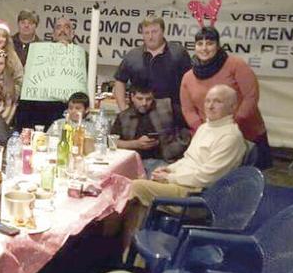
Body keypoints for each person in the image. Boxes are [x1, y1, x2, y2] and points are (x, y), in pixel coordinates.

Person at [117, 84, 246, 250]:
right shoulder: (206, 127)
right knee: (140, 184)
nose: (210, 106)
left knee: (135, 187)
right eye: (208, 101)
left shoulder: (230, 137)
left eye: (217, 101)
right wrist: (170, 170)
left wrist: (170, 177)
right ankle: (133, 251)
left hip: (199, 196)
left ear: (232, 107)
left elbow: (206, 178)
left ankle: (127, 250)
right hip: (184, 185)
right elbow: (188, 159)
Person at [180, 26, 272, 168]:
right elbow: (188, 110)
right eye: (200, 44)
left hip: (246, 134)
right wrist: (203, 130)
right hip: (209, 138)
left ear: (218, 45)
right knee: (211, 181)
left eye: (209, 43)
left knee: (248, 182)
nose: (204, 48)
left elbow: (251, 97)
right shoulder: (188, 77)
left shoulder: (236, 65)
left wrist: (230, 126)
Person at [15, 17, 83, 129]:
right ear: (53, 34)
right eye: (58, 27)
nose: (62, 30)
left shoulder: (80, 55)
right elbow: (27, 76)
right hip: (38, 107)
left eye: (67, 27)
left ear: (72, 34)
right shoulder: (39, 51)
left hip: (64, 107)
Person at [112, 16, 191, 112]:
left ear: (162, 31)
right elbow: (119, 81)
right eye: (146, 33)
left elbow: (191, 83)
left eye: (154, 32)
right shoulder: (133, 55)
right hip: (140, 115)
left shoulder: (179, 53)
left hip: (171, 116)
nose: (150, 36)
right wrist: (123, 109)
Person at [110, 83, 191, 175]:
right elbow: (112, 142)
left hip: (165, 159)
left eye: (148, 99)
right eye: (140, 99)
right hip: (134, 161)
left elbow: (186, 131)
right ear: (132, 97)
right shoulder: (124, 116)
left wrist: (176, 147)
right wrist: (136, 144)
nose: (144, 103)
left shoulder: (167, 107)